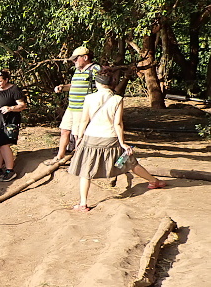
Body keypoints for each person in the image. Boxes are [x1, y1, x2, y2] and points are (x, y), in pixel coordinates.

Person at [67, 68, 167, 212]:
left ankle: (83, 203)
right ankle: (154, 181)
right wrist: (123, 143)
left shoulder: (89, 98)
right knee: (130, 162)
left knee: (85, 171)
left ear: (97, 83)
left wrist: (79, 137)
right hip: (111, 138)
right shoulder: (117, 99)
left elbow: (84, 121)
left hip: (91, 138)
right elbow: (118, 123)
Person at [45, 45, 99, 165]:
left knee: (78, 134)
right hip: (71, 107)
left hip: (82, 108)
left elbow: (102, 86)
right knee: (65, 130)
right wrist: (63, 87)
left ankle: (80, 159)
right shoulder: (77, 70)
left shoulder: (95, 69)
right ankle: (60, 156)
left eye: (76, 58)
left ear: (85, 57)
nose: (74, 61)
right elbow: (74, 85)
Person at [0, 70, 27, 182]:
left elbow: (22, 105)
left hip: (8, 121)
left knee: (4, 145)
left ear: (6, 80)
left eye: (0, 81)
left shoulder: (14, 89)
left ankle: (10, 170)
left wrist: (10, 108)